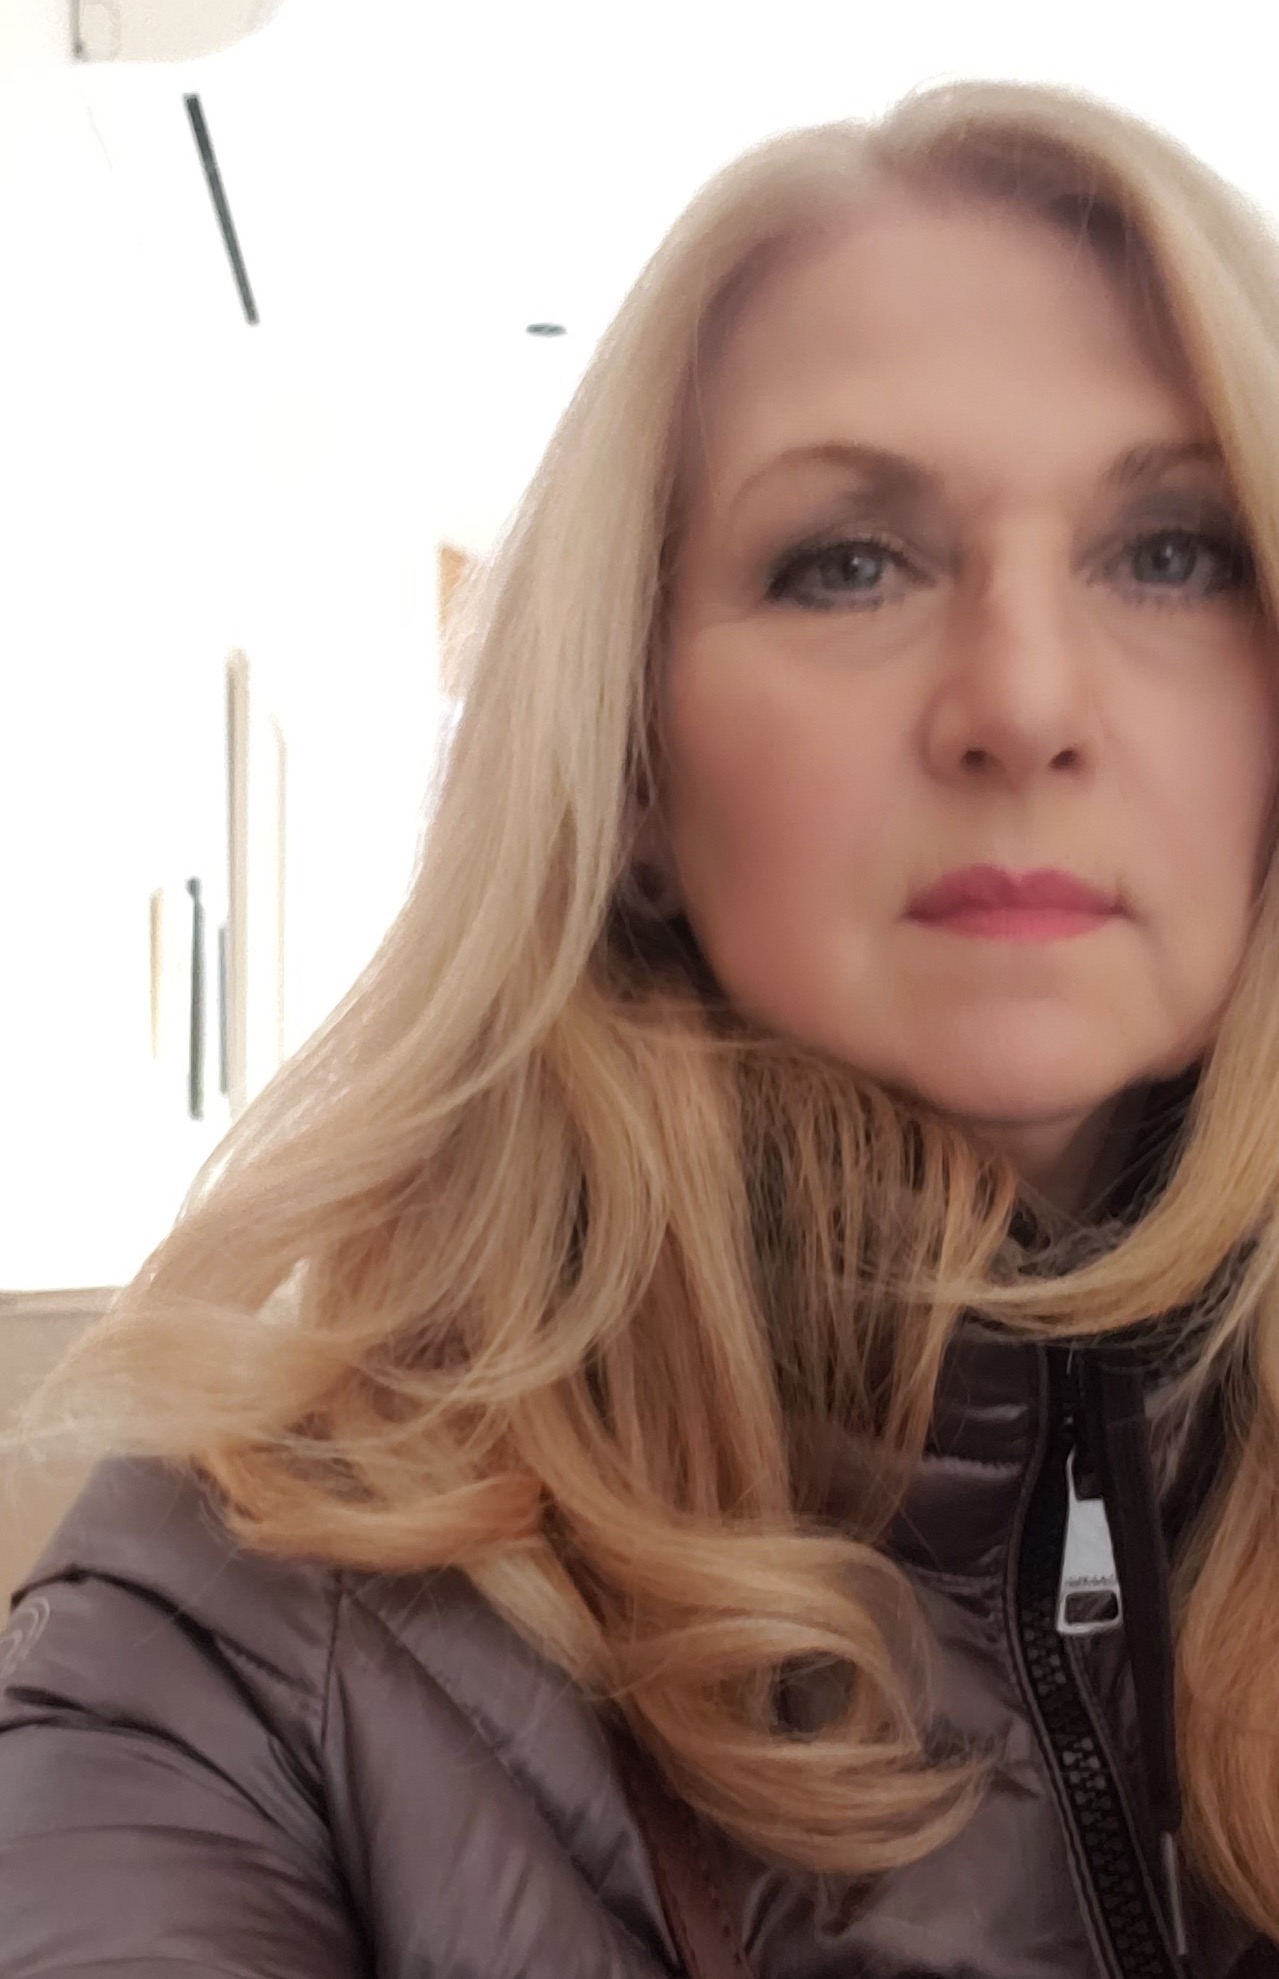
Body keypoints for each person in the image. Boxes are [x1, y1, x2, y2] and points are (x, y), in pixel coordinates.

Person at [2, 73, 1279, 1979]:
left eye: (1171, 551)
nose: (1023, 703)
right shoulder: (239, 1634)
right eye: (847, 562)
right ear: (637, 773)